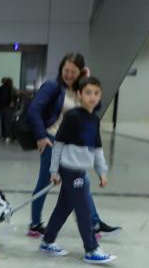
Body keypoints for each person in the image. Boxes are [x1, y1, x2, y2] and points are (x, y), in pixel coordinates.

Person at [26, 52, 119, 238]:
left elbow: (95, 107)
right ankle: (35, 223)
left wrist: (86, 81)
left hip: (72, 145)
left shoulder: (81, 90)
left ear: (80, 72)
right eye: (66, 70)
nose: (68, 75)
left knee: (81, 181)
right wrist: (41, 137)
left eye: (74, 72)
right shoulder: (53, 87)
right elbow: (34, 110)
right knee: (45, 181)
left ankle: (94, 223)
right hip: (53, 141)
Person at [38, 76, 116, 264]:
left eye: (96, 93)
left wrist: (102, 172)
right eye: (88, 92)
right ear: (80, 94)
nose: (92, 97)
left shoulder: (94, 119)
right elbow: (58, 144)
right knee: (84, 210)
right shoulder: (72, 117)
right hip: (70, 171)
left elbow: (97, 148)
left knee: (63, 208)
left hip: (81, 171)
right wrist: (54, 171)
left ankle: (47, 240)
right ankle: (91, 249)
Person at [0, 77, 17, 141]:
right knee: (8, 122)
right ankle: (8, 136)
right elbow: (15, 96)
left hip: (1, 108)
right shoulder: (11, 88)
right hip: (9, 108)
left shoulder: (1, 88)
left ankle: (4, 136)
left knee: (3, 122)